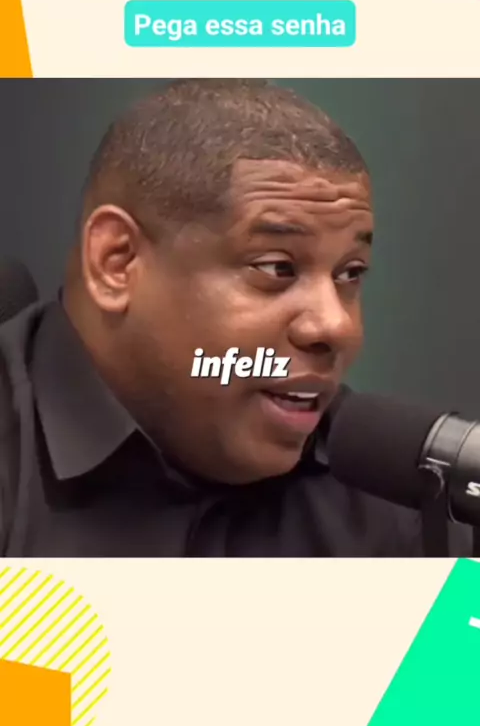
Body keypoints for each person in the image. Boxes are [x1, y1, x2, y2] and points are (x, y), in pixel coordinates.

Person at [0, 79, 469, 556]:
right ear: (117, 262)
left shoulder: (402, 503)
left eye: (350, 273)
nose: (337, 326)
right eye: (277, 268)